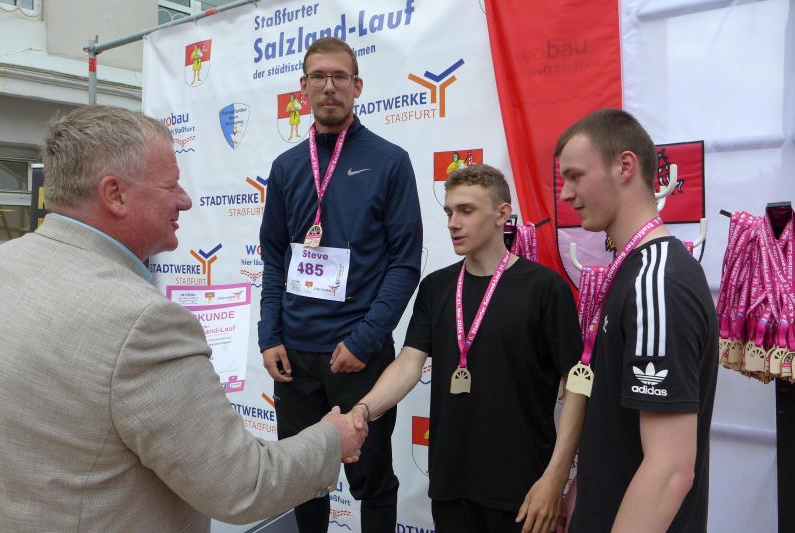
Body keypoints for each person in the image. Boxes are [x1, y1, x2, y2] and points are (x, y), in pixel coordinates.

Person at [0, 105, 366, 532]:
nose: (185, 200)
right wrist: (332, 439)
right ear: (114, 195)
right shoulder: (141, 322)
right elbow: (242, 483)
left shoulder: (5, 266)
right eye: (171, 185)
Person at [350, 164, 586, 533]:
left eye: (466, 210)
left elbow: (577, 385)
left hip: (524, 490)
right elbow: (409, 363)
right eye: (449, 212)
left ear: (502, 214)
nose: (453, 223)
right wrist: (364, 409)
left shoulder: (545, 288)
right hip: (451, 485)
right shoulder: (436, 287)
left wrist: (556, 478)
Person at [258, 37, 422, 532]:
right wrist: (269, 335)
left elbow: (404, 263)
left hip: (359, 357)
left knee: (373, 482)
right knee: (305, 481)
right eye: (318, 77)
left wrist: (366, 339)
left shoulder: (390, 161)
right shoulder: (286, 167)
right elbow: (274, 259)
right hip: (294, 361)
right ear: (303, 88)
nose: (328, 86)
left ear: (357, 86)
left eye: (339, 77)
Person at [556, 109, 718, 532]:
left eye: (575, 176)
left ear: (625, 165)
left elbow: (670, 470)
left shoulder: (657, 281)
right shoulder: (634, 271)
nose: (565, 194)